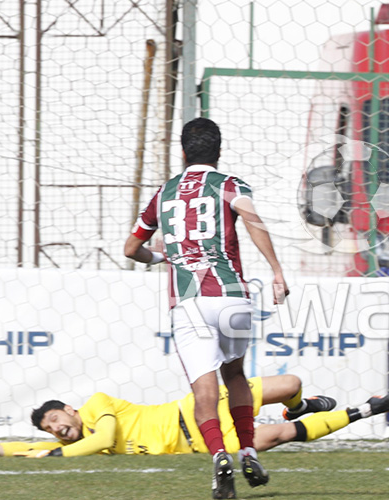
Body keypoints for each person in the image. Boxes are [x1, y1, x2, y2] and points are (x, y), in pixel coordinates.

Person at [122, 117, 289, 498]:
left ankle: (219, 456)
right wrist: (277, 271)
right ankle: (248, 449)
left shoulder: (163, 194)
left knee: (204, 392)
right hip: (232, 297)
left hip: (190, 304)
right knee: (236, 375)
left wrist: (163, 258)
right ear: (219, 151)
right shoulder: (230, 185)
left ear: (182, 152)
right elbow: (252, 220)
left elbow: (131, 249)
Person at [0, 375, 389, 460]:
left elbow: (104, 438)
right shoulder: (67, 443)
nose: (58, 431)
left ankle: (301, 404)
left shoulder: (98, 404)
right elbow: (33, 450)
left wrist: (56, 453)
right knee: (276, 436)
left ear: (69, 409)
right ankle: (366, 409)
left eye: (56, 421)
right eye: (52, 432)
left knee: (289, 383)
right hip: (200, 441)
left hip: (197, 407)